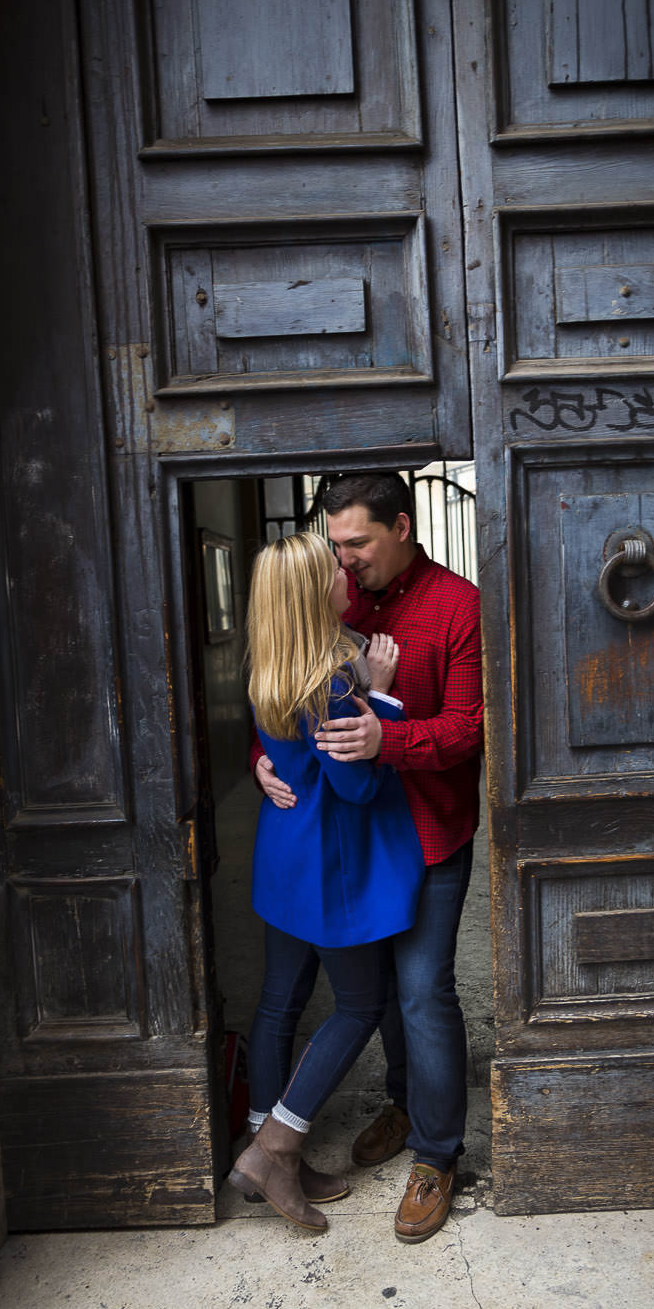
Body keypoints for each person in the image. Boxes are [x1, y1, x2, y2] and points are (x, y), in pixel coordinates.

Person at [253, 473, 483, 1243]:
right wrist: (265, 755)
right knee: (376, 998)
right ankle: (405, 1100)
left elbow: (468, 729)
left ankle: (436, 1154)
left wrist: (391, 737)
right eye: (335, 547)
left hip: (427, 834)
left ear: (403, 527)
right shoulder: (336, 600)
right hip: (354, 849)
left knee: (420, 995)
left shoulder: (457, 605)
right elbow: (292, 680)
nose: (343, 562)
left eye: (356, 544)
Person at [229, 531, 424, 1234]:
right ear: (316, 595)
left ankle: (261, 1140)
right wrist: (386, 696)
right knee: (360, 1005)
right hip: (330, 867)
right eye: (334, 569)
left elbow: (290, 753)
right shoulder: (337, 679)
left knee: (281, 1001)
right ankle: (276, 1149)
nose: (348, 573)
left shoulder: (271, 665)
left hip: (284, 857)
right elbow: (358, 787)